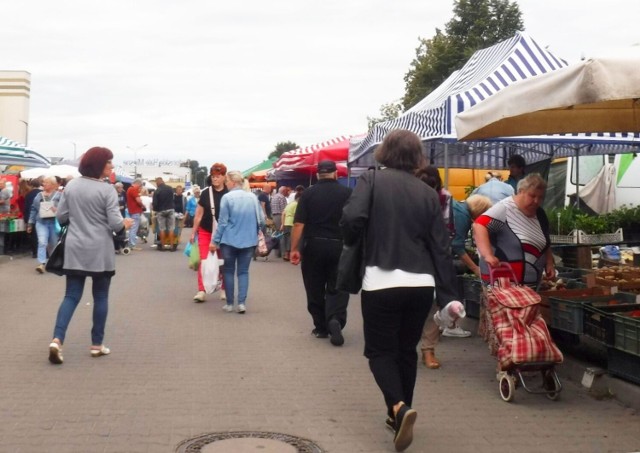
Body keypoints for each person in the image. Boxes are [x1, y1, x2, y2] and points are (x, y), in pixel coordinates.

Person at [340, 130, 459, 452]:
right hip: (422, 284)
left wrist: (357, 238)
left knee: (379, 352)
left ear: (384, 152)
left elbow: (352, 217)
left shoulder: (372, 181)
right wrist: (449, 296)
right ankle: (398, 416)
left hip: (381, 280)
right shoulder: (427, 193)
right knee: (406, 351)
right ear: (417, 157)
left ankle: (398, 406)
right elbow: (441, 247)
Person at [47, 147, 134, 365]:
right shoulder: (108, 191)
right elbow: (115, 223)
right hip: (100, 250)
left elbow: (62, 216)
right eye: (109, 163)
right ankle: (97, 345)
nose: (112, 167)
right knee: (101, 297)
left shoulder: (71, 186)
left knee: (71, 296)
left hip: (75, 248)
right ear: (99, 165)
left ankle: (57, 340)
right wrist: (125, 223)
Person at [290, 160, 352, 347]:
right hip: (340, 246)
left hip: (313, 246)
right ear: (335, 174)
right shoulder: (348, 193)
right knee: (338, 286)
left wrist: (294, 249)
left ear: (317, 175)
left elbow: (299, 224)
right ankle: (335, 318)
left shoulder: (307, 194)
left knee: (314, 286)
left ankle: (321, 326)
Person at [473, 173, 554, 287]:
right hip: (502, 285)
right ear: (520, 191)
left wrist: (549, 262)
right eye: (532, 195)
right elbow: (479, 226)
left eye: (540, 197)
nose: (536, 201)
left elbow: (546, 241)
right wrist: (488, 255)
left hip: (531, 287)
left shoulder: (540, 213)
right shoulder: (504, 208)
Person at [210, 171, 264, 314]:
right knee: (243, 272)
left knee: (228, 271)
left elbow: (222, 222)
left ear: (232, 182)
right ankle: (241, 303)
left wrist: (215, 241)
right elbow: (262, 220)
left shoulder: (227, 198)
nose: (226, 184)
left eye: (227, 181)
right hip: (249, 240)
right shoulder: (253, 197)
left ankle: (229, 303)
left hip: (229, 240)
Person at [190, 163, 229, 303]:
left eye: (218, 176)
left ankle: (224, 288)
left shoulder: (229, 193)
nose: (215, 179)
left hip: (225, 233)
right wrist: (193, 232)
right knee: (204, 260)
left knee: (224, 261)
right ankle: (202, 290)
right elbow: (198, 215)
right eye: (213, 176)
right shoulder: (206, 193)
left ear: (224, 177)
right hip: (206, 231)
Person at [450, 194, 493, 277]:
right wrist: (475, 269)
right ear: (480, 211)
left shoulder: (459, 207)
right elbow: (456, 245)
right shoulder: (462, 215)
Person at [27, 176, 61, 274]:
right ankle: (41, 263)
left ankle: (53, 261)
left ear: (53, 185)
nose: (44, 184)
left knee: (53, 244)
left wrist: (57, 209)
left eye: (47, 183)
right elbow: (33, 209)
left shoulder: (59, 195)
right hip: (41, 222)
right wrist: (30, 223)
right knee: (42, 242)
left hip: (54, 223)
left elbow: (64, 208)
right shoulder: (38, 195)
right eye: (44, 182)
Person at [152, 177, 176, 251]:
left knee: (162, 229)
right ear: (163, 181)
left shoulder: (157, 191)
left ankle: (163, 246)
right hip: (170, 209)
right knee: (171, 228)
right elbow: (173, 199)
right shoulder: (170, 188)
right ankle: (171, 246)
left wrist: (155, 210)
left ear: (157, 183)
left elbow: (155, 204)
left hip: (161, 210)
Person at [23, 178, 42, 258]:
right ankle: (41, 251)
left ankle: (34, 252)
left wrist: (26, 219)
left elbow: (26, 207)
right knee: (40, 235)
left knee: (33, 234)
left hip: (30, 217)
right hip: (41, 216)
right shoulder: (42, 193)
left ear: (31, 185)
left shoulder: (28, 194)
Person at [126, 179, 145, 251]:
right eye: (140, 186)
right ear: (138, 184)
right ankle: (132, 245)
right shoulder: (133, 189)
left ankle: (131, 243)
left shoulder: (129, 189)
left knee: (132, 228)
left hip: (131, 210)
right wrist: (143, 206)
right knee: (134, 229)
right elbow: (138, 200)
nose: (140, 188)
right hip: (135, 211)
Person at [281, 191, 300, 261]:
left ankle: (285, 253)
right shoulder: (296, 204)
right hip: (292, 223)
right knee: (290, 239)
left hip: (286, 222)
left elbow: (283, 213)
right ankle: (287, 254)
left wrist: (282, 224)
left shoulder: (289, 204)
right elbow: (296, 215)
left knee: (286, 238)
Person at [270, 186, 288, 257]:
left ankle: (277, 253)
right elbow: (284, 210)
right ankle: (283, 253)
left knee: (277, 234)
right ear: (283, 191)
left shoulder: (274, 197)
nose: (287, 192)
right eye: (286, 191)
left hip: (274, 216)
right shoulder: (282, 197)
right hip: (280, 216)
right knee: (282, 234)